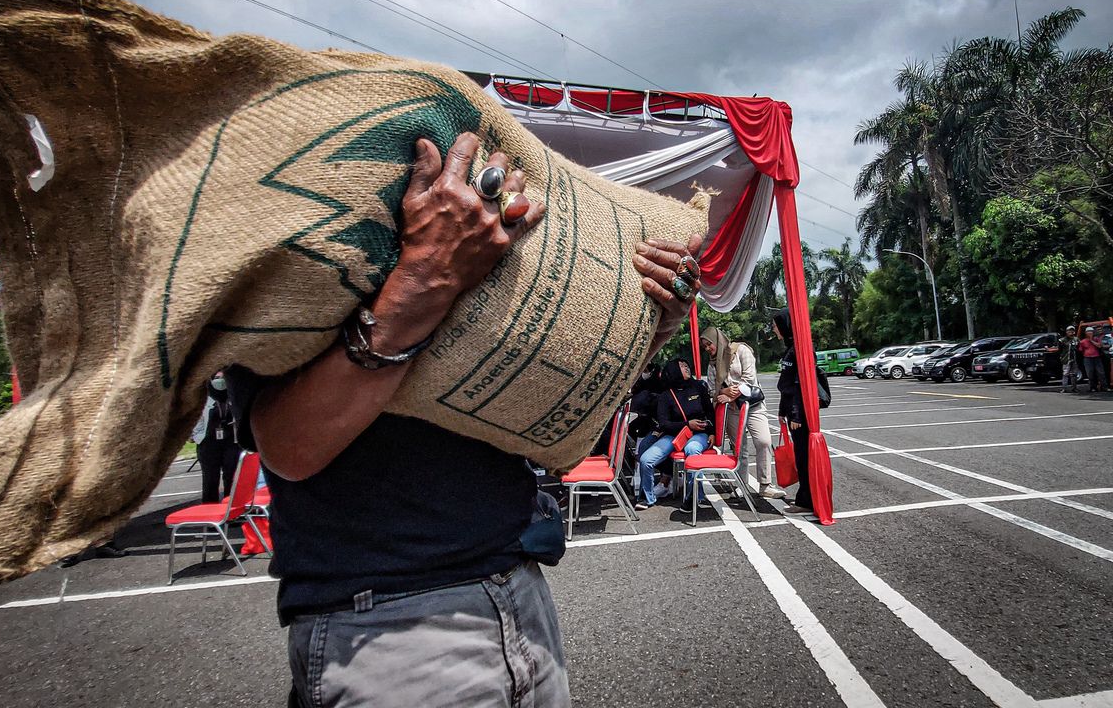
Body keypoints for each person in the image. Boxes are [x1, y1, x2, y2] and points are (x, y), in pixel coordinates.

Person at [221, 132, 702, 708]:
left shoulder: (491, 253)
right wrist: (427, 278)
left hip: (523, 595)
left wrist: (651, 322)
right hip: (389, 631)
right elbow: (290, 447)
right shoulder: (295, 250)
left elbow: (563, 424)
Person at [701, 328, 786, 499]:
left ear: (718, 339)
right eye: (704, 346)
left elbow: (749, 378)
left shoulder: (741, 350)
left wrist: (731, 391)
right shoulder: (712, 364)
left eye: (709, 344)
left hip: (753, 404)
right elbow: (712, 390)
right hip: (732, 408)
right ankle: (741, 483)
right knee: (740, 448)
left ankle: (765, 484)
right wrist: (724, 392)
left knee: (763, 441)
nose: (707, 348)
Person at [635, 358, 714, 510]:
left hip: (699, 434)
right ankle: (647, 498)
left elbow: (710, 412)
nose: (687, 368)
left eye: (687, 365)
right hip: (674, 435)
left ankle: (693, 497)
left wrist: (712, 432)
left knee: (692, 449)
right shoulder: (666, 395)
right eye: (682, 366)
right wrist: (686, 424)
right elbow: (664, 423)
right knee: (646, 459)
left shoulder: (699, 387)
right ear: (673, 370)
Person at [774, 309, 815, 515]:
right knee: (801, 457)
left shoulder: (799, 349)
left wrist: (796, 414)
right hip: (791, 410)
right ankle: (804, 497)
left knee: (804, 457)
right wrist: (782, 410)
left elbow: (800, 385)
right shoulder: (790, 348)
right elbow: (786, 384)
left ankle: (806, 501)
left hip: (800, 414)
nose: (774, 329)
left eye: (776, 325)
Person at [191, 371, 241, 503]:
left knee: (231, 476)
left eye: (223, 378)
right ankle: (209, 507)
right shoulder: (204, 398)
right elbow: (195, 419)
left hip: (231, 442)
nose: (220, 381)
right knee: (210, 478)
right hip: (208, 443)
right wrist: (195, 436)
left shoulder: (233, 396)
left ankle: (232, 507)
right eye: (217, 378)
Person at [1079, 327, 1108, 392]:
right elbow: (1081, 350)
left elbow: (1099, 346)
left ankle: (1104, 387)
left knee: (1101, 372)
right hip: (1087, 358)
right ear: (1086, 333)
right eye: (1088, 332)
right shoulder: (1083, 341)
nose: (1090, 333)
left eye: (1091, 331)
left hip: (1097, 357)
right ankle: (1092, 387)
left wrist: (1091, 340)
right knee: (1090, 373)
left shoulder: (1096, 339)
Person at [1059, 326, 1080, 393]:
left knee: (1074, 374)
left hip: (1074, 359)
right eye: (1069, 331)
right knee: (1065, 374)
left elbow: (1079, 348)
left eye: (1072, 331)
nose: (1071, 332)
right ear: (1066, 332)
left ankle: (1074, 388)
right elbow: (1059, 349)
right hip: (1066, 359)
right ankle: (1064, 388)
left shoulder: (1076, 339)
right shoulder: (1062, 340)